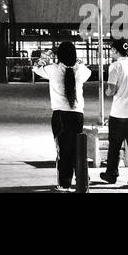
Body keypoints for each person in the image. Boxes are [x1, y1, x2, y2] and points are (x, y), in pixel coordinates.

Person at [35, 41, 91, 191]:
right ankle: (81, 178)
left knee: (63, 150)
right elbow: (87, 70)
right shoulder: (81, 71)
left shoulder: (53, 69)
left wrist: (45, 56)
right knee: (76, 148)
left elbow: (36, 68)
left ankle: (64, 183)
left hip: (60, 114)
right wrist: (79, 61)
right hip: (78, 114)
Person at [101, 38, 128, 189]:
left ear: (115, 50)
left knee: (114, 144)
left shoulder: (115, 66)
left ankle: (111, 174)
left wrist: (107, 91)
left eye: (111, 50)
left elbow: (111, 90)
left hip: (119, 112)